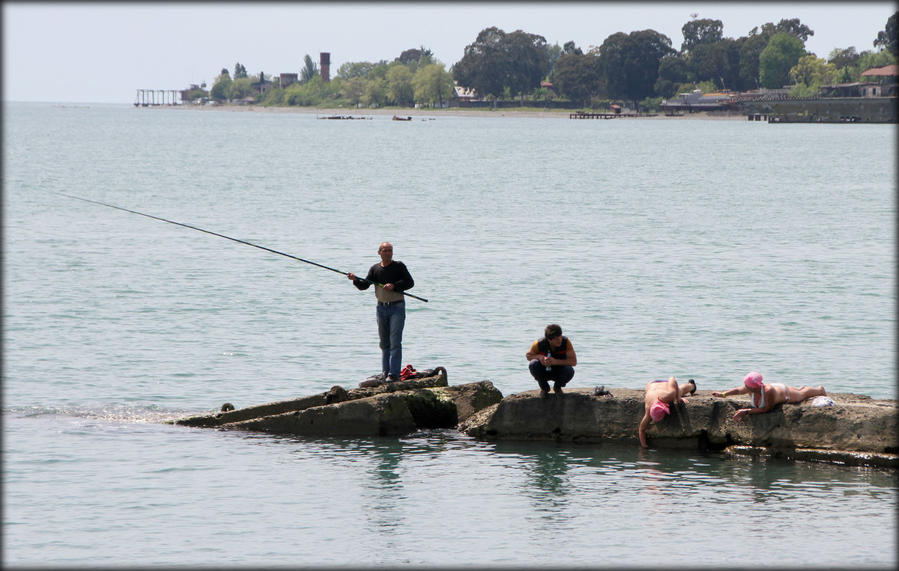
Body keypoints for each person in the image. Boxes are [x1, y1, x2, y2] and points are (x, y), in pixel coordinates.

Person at [347, 242, 414, 382]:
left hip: (397, 307)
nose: (388, 253)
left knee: (395, 341)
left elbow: (409, 282)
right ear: (379, 252)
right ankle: (385, 372)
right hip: (381, 308)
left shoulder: (399, 266)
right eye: (385, 250)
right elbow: (364, 285)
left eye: (390, 250)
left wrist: (394, 285)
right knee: (384, 342)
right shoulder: (375, 269)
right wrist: (355, 280)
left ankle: (394, 374)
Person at [712, 371, 827, 421]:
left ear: (755, 386)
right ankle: (800, 387)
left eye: (747, 385)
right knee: (798, 390)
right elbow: (737, 390)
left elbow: (766, 409)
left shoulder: (768, 392)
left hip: (783, 393)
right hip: (777, 388)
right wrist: (723, 394)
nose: (745, 387)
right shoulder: (750, 388)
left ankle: (819, 389)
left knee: (802, 394)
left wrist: (746, 411)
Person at [638, 376, 696, 448]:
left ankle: (691, 386)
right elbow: (641, 429)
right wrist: (644, 445)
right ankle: (690, 386)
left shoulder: (668, 395)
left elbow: (672, 379)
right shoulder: (648, 411)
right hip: (651, 384)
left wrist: (678, 398)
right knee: (678, 391)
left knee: (680, 391)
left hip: (665, 384)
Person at [526, 324, 577, 396]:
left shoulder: (566, 342)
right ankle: (544, 388)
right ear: (549, 339)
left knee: (569, 370)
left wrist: (555, 362)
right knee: (533, 364)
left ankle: (557, 387)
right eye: (556, 338)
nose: (559, 340)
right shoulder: (538, 343)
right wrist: (540, 357)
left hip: (559, 371)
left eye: (560, 336)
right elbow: (528, 356)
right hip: (544, 371)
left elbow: (573, 362)